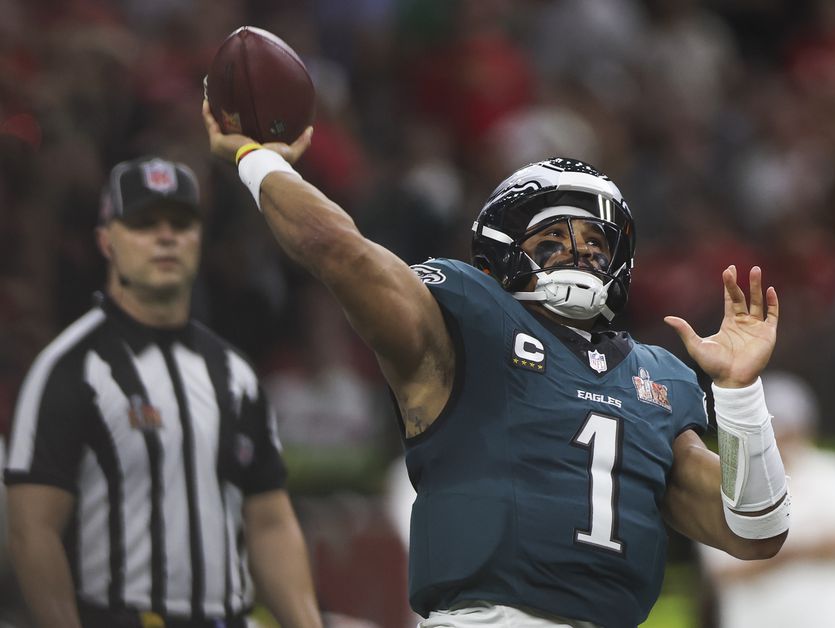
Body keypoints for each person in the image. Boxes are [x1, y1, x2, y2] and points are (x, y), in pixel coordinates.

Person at [203, 100, 791, 628]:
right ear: (500, 254)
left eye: (596, 241)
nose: (580, 253)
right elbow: (340, 251)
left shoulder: (656, 376)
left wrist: (740, 392)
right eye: (552, 239)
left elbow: (756, 531)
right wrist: (258, 160)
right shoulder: (468, 318)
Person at [4, 157, 321, 628]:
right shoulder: (71, 369)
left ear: (199, 238)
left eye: (181, 223)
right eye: (144, 224)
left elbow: (269, 522)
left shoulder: (235, 375)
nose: (166, 237)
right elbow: (32, 529)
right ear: (106, 241)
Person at [700, 370, 835, 627]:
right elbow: (723, 571)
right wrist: (809, 547)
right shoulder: (727, 480)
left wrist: (771, 551)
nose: (780, 437)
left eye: (788, 428)